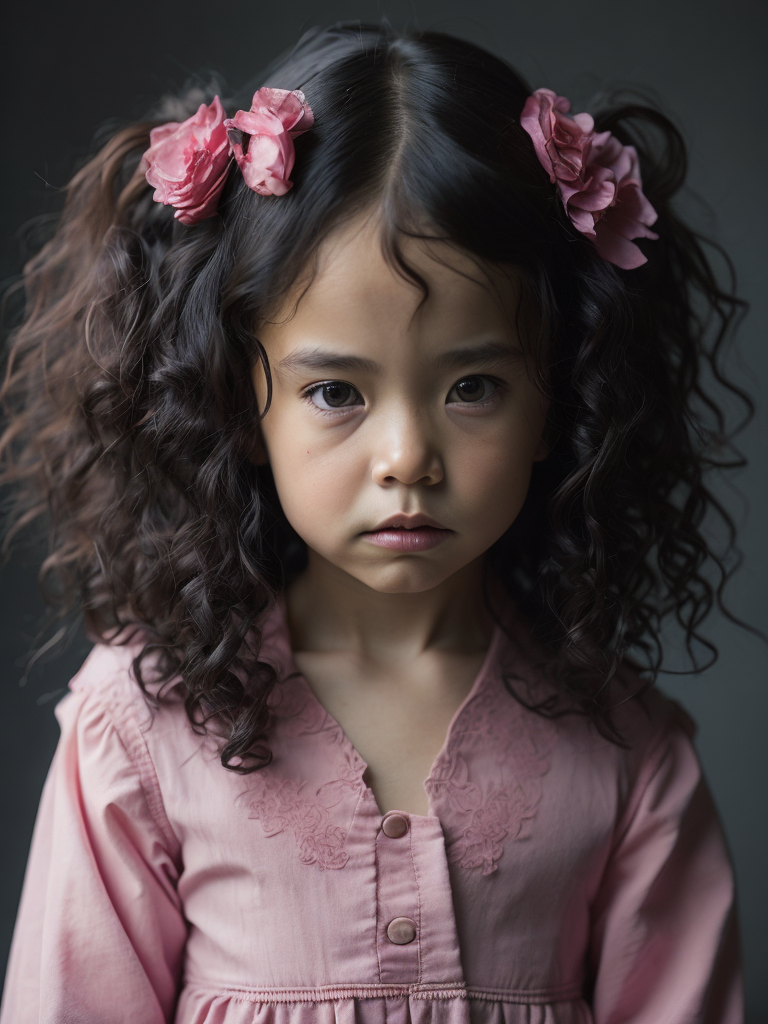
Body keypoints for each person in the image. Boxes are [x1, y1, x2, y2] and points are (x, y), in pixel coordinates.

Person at [0, 18, 754, 1024]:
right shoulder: (139, 729)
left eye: (475, 384)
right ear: (239, 404)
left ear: (559, 400)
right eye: (335, 393)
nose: (408, 456)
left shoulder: (627, 756)